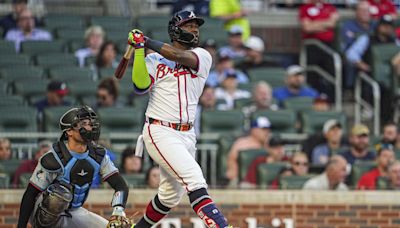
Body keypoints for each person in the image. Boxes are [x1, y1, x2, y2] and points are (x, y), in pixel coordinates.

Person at [128, 10, 231, 227]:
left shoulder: (203, 55)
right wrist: (139, 50)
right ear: (175, 30)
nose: (194, 30)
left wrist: (145, 40)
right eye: (189, 26)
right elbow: (140, 86)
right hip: (160, 130)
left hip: (187, 134)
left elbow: (178, 56)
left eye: (196, 26)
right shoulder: (154, 58)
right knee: (195, 178)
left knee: (168, 196)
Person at [17, 105, 132, 228]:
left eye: (90, 123)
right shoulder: (54, 157)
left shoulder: (99, 155)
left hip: (74, 211)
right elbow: (30, 194)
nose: (89, 127)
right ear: (69, 131)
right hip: (45, 215)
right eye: (83, 123)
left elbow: (120, 185)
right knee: (59, 196)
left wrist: (118, 210)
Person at [226, 116, 271, 186]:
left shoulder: (269, 145)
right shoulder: (242, 143)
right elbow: (231, 162)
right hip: (242, 181)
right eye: (263, 129)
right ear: (254, 130)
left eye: (268, 129)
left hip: (261, 182)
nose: (267, 132)